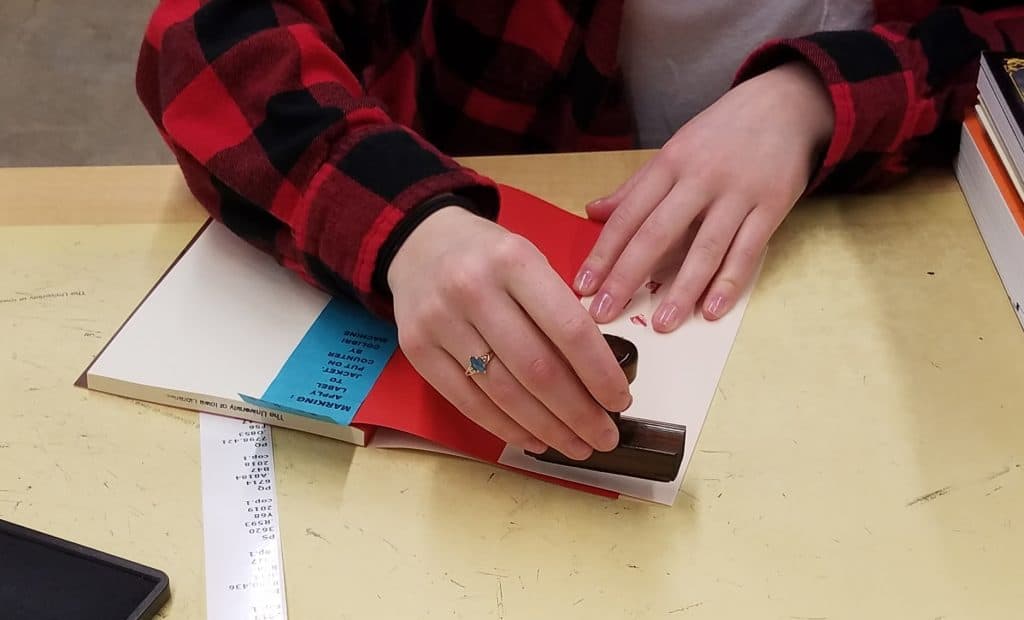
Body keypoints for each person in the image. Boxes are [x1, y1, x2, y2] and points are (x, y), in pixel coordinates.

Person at [136, 1, 1024, 461]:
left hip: (916, 317)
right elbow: (210, 34)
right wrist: (409, 230)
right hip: (465, 261)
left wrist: (814, 99)